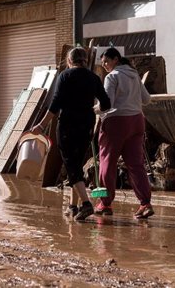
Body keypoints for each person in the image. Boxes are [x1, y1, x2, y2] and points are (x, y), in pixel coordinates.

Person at [31, 47, 111, 221]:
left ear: (69, 61)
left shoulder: (65, 76)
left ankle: (86, 203)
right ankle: (73, 206)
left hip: (68, 125)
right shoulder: (93, 78)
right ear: (84, 60)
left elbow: (54, 106)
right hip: (87, 125)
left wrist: (41, 126)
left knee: (71, 165)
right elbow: (106, 103)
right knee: (75, 165)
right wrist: (93, 110)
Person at [97, 47, 153, 219]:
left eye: (106, 61)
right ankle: (145, 203)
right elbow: (147, 99)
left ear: (116, 59)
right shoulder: (135, 75)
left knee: (107, 162)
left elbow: (108, 104)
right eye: (103, 63)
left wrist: (95, 110)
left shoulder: (112, 77)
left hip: (116, 123)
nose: (105, 65)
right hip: (137, 121)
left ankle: (105, 203)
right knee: (136, 165)